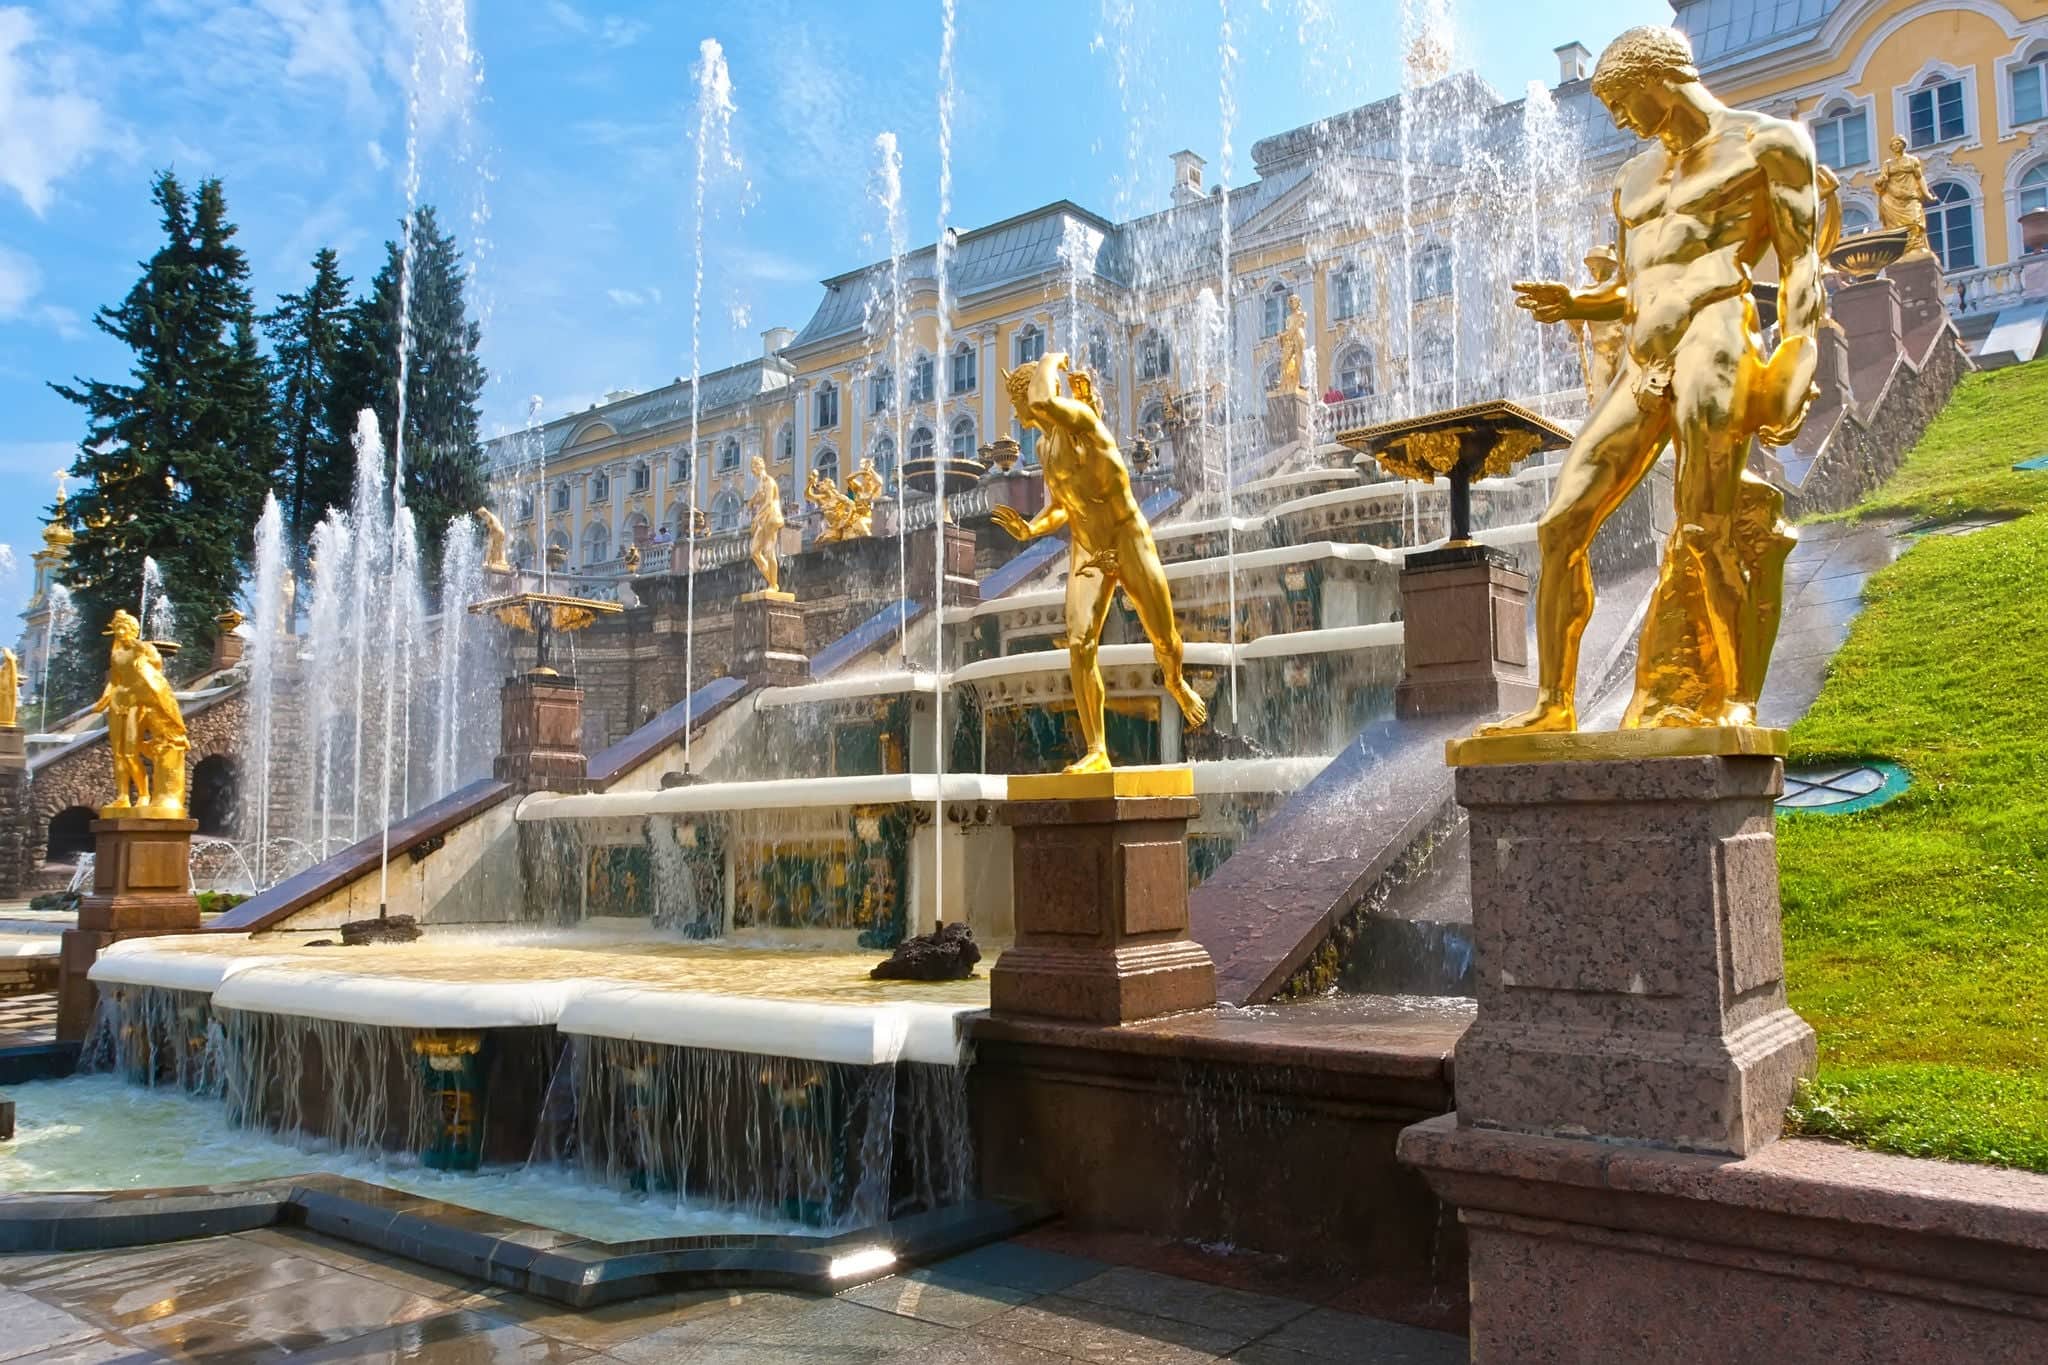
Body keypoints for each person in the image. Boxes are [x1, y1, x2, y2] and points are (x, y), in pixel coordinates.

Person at [1482, 25, 1827, 736]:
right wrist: (1579, 304)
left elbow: (1800, 265)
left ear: (1661, 81)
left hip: (1718, 338)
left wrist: (1798, 356)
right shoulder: (1632, 178)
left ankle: (1735, 699)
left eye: (1623, 102)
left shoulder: (1770, 143)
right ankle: (1554, 705)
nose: (1617, 119)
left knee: (1707, 529)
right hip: (1644, 358)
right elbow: (1641, 284)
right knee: (1559, 525)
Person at [991, 352, 1207, 774]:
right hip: (1088, 549)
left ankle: (1176, 681)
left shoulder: (1083, 424)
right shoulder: (1044, 445)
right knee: (1080, 643)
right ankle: (1097, 750)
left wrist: (1050, 360)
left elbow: (1041, 401)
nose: (1017, 412)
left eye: (1017, 400)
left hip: (1126, 536)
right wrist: (1032, 529)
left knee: (1163, 638)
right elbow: (1062, 505)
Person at [1876, 135, 1936, 260]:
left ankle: (1915, 247)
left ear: (1904, 145)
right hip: (1892, 198)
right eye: (1893, 144)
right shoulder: (1887, 164)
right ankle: (1902, 250)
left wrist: (1926, 194)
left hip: (1910, 196)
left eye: (1898, 143)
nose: (1896, 146)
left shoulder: (1912, 160)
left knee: (1915, 221)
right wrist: (1879, 182)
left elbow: (1919, 178)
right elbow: (1881, 181)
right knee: (1896, 229)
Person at [746, 456, 786, 593]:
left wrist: (756, 517)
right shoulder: (760, 484)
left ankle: (773, 585)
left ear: (760, 466)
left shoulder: (769, 481)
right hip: (763, 519)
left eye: (754, 466)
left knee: (769, 551)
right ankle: (771, 582)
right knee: (754, 552)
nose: (753, 470)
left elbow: (769, 502)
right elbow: (756, 498)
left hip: (771, 517)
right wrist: (751, 502)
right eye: (752, 467)